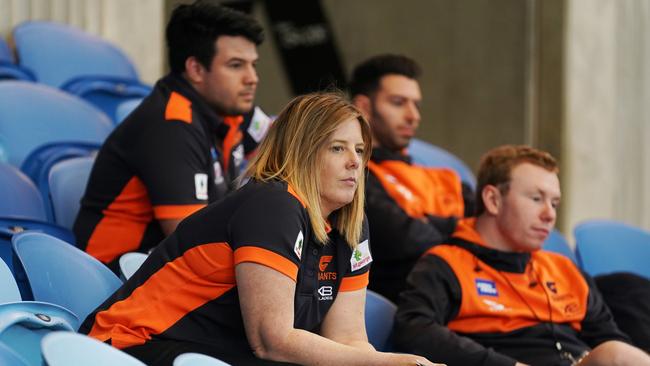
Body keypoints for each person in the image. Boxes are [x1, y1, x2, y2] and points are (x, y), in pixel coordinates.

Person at [79, 93, 440, 366]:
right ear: (301, 152)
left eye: (360, 150)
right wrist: (389, 361)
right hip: (134, 345)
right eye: (337, 148)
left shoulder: (350, 222)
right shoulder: (273, 204)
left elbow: (348, 339)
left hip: (215, 354)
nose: (354, 162)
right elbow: (272, 340)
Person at [393, 144, 650, 366]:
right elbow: (414, 331)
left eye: (554, 203)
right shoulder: (445, 264)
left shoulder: (564, 269)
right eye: (537, 198)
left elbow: (608, 338)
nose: (549, 214)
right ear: (493, 200)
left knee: (617, 351)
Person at [74, 1, 271, 271]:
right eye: (236, 65)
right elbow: (193, 242)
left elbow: (291, 146)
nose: (253, 78)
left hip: (166, 266)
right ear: (196, 69)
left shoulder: (231, 109)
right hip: (115, 276)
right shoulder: (170, 126)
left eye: (253, 65)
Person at [349, 54, 474, 302]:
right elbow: (402, 240)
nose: (413, 116)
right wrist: (457, 227)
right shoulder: (353, 173)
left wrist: (429, 225)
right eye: (398, 102)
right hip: (407, 304)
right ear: (364, 106)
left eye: (416, 105)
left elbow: (492, 234)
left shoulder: (446, 177)